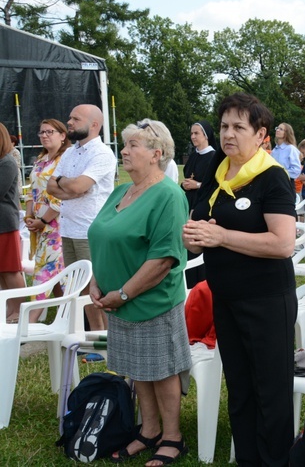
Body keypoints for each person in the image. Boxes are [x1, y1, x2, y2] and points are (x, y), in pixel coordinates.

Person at [183, 93, 297, 466]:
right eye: (224, 126)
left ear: (261, 133)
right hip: (226, 297)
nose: (228, 135)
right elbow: (203, 220)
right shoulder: (218, 166)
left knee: (271, 393)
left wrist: (221, 237)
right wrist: (196, 237)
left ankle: (276, 461)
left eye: (238, 127)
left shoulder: (272, 178)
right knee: (242, 390)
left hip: (265, 300)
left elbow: (282, 244)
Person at [87, 119, 189, 465]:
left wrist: (124, 293)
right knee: (137, 368)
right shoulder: (122, 191)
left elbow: (163, 259)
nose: (124, 151)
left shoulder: (168, 195)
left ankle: (172, 436)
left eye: (133, 145)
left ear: (156, 154)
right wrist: (96, 280)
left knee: (161, 370)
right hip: (117, 301)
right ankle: (149, 429)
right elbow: (102, 236)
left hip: (151, 300)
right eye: (125, 145)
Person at [47, 104, 116, 332]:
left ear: (94, 125)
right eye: (70, 117)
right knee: (79, 287)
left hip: (90, 230)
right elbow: (51, 186)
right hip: (68, 229)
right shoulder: (69, 152)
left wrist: (67, 184)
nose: (69, 122)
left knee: (97, 287)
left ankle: (107, 337)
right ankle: (95, 335)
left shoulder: (102, 153)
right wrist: (72, 186)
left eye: (75, 119)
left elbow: (79, 185)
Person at [23, 119, 70, 321]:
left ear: (62, 135)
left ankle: (28, 324)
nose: (44, 135)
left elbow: (61, 197)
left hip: (58, 227)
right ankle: (66, 318)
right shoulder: (42, 160)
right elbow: (32, 192)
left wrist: (43, 220)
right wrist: (29, 215)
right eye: (41, 132)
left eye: (50, 131)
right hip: (41, 227)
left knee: (44, 274)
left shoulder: (65, 160)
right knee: (60, 278)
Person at [0, 122, 27, 323]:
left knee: (10, 269)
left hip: (4, 224)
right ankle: (10, 311)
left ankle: (20, 312)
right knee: (2, 271)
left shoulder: (7, 162)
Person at [181, 120, 217, 210]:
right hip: (188, 203)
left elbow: (217, 186)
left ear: (206, 135)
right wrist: (184, 184)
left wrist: (197, 185)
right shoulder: (193, 155)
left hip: (204, 204)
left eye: (196, 133)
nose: (193, 137)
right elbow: (188, 176)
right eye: (191, 133)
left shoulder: (214, 157)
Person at [271, 122, 302, 191]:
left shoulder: (291, 149)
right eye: (277, 128)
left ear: (286, 133)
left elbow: (296, 170)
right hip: (273, 184)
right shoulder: (274, 150)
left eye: (281, 129)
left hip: (286, 185)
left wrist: (280, 173)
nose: (277, 130)